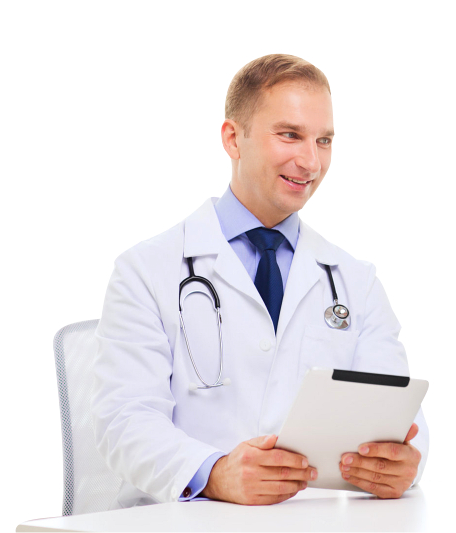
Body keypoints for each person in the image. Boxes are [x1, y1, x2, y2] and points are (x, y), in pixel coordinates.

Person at [92, 54, 428, 508]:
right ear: (233, 138)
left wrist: (404, 463)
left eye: (324, 140)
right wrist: (213, 472)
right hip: (185, 519)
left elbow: (400, 415)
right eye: (290, 135)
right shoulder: (146, 270)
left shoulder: (354, 281)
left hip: (312, 520)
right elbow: (124, 420)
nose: (310, 161)